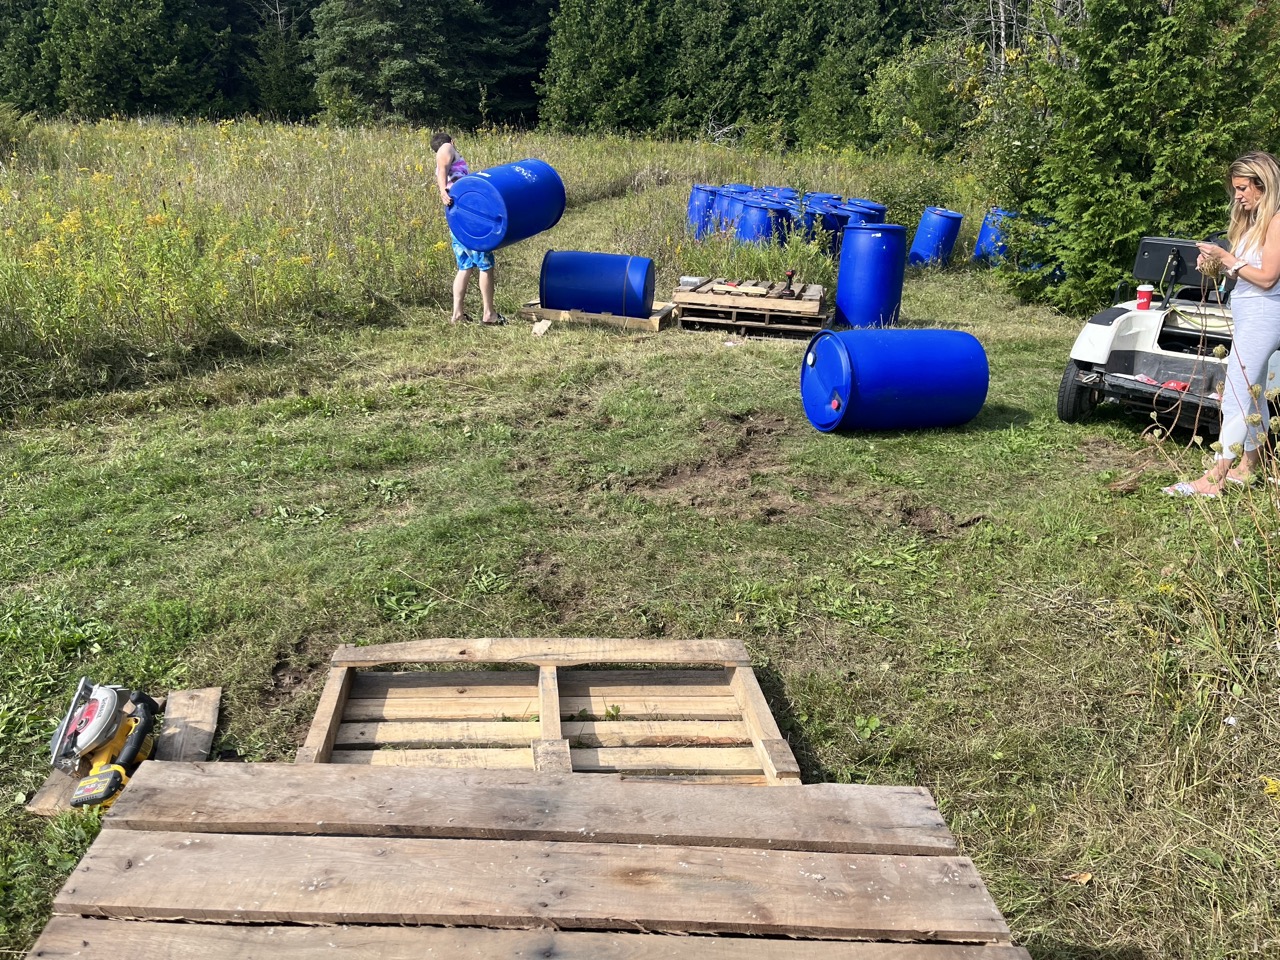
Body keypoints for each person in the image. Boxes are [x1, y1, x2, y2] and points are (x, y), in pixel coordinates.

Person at [1164, 151, 1280, 497]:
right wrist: (1213, 264)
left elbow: (1269, 277)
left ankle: (1214, 480)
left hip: (1265, 313)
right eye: (1236, 189)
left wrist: (1228, 257)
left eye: (1244, 188)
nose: (1238, 196)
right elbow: (1243, 272)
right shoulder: (1252, 220)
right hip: (1248, 311)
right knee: (1254, 390)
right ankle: (1248, 467)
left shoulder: (1276, 221)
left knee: (1236, 395)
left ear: (1264, 185)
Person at [433, 132, 506, 325]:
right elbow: (442, 166)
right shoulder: (447, 148)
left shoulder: (446, 155)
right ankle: (489, 314)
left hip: (457, 216)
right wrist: (442, 191)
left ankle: (458, 314)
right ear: (451, 142)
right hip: (468, 217)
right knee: (485, 264)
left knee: (464, 266)